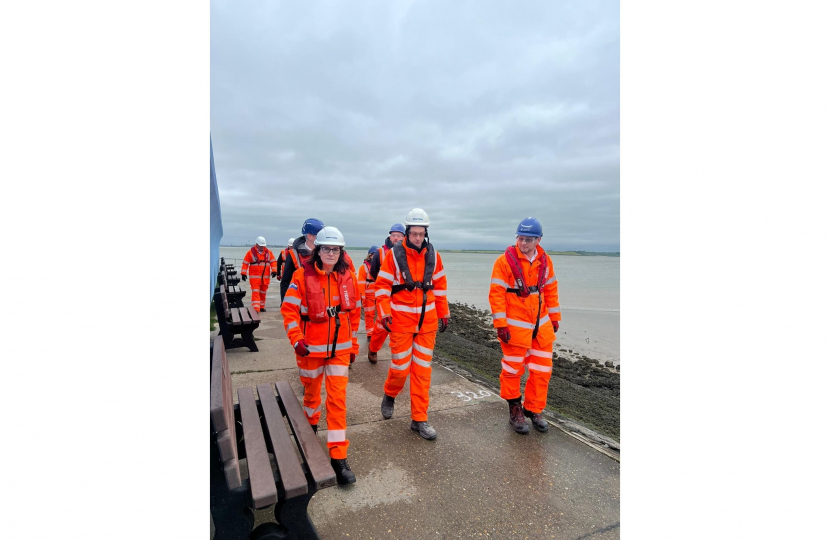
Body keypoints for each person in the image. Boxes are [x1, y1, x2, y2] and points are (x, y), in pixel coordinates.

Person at [281, 226, 361, 485]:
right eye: (326, 248)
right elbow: (289, 310)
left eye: (335, 249)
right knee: (312, 398)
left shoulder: (348, 276)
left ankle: (339, 457)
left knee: (337, 401)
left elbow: (355, 313)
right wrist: (296, 339)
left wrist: (353, 347)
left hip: (339, 351)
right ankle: (309, 440)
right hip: (310, 351)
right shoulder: (301, 275)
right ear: (318, 250)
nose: (330, 253)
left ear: (341, 252)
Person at [374, 209, 449, 440]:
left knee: (422, 372)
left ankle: (419, 420)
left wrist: (444, 313)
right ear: (407, 233)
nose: (418, 238)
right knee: (400, 369)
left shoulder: (434, 257)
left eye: (421, 233)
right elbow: (382, 287)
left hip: (426, 324)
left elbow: (440, 287)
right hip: (401, 322)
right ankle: (389, 394)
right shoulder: (393, 256)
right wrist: (385, 313)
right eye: (414, 233)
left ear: (426, 233)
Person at [488, 217, 561, 434]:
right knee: (512, 370)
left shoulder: (545, 262)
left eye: (528, 239)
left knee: (542, 371)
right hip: (514, 329)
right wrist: (500, 324)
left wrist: (555, 317)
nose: (523, 243)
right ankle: (515, 409)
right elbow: (496, 294)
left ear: (538, 240)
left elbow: (551, 290)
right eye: (520, 238)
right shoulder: (503, 262)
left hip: (541, 327)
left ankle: (534, 409)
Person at [366, 223, 406, 363]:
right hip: (385, 296)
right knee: (382, 325)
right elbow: (374, 271)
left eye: (399, 235)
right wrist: (384, 286)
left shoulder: (407, 251)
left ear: (404, 237)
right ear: (390, 236)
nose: (396, 238)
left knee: (402, 327)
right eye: (394, 235)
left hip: (403, 296)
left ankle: (401, 357)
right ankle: (373, 349)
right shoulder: (380, 253)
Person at [280, 219, 325, 302]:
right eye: (320, 235)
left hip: (322, 305)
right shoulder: (294, 255)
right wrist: (285, 305)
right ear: (310, 236)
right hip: (302, 306)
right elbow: (286, 282)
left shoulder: (327, 253)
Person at [240, 236, 278, 313]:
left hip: (265, 278)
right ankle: (256, 309)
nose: (262, 247)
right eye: (260, 246)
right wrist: (243, 273)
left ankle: (261, 306)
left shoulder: (268, 253)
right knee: (256, 293)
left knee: (263, 293)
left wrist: (274, 271)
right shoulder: (250, 253)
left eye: (263, 246)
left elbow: (273, 262)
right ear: (256, 244)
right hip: (255, 278)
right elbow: (245, 263)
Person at [357, 246, 380, 343]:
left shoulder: (381, 266)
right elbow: (361, 283)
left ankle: (379, 332)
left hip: (379, 294)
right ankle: (370, 334)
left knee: (381, 315)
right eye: (373, 255)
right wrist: (361, 297)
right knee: (369, 315)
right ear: (370, 255)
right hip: (368, 296)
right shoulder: (364, 267)